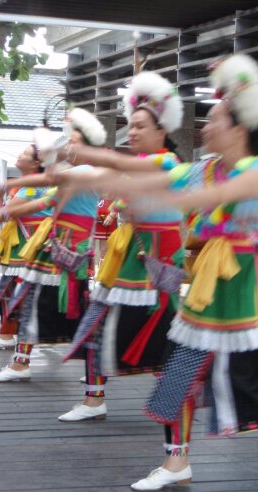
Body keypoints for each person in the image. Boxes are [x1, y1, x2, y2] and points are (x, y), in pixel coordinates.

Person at [66, 55, 258, 492]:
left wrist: (154, 193)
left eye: (215, 119)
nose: (205, 127)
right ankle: (176, 462)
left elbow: (219, 194)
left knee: (242, 383)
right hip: (211, 288)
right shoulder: (207, 168)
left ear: (238, 128)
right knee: (177, 374)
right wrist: (90, 164)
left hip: (249, 290)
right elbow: (157, 176)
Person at [56, 72, 186, 422]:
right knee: (98, 325)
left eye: (141, 126)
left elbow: (116, 170)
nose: (133, 131)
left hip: (152, 260)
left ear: (162, 131)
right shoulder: (140, 166)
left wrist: (90, 152)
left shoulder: (166, 163)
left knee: (160, 335)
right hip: (130, 256)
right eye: (132, 125)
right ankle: (95, 399)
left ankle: (173, 399)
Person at [0, 108, 107, 383]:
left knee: (50, 305)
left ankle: (91, 371)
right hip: (59, 248)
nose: (68, 147)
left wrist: (7, 188)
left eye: (74, 142)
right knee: (36, 303)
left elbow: (47, 184)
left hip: (66, 251)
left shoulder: (85, 171)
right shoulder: (77, 174)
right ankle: (26, 363)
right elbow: (43, 202)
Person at [0, 144, 48, 351]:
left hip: (27, 245)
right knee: (12, 288)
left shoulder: (33, 187)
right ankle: (8, 334)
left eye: (25, 154)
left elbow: (9, 211)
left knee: (15, 289)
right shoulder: (23, 185)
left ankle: (8, 335)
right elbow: (5, 210)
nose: (19, 155)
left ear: (36, 163)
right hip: (20, 244)